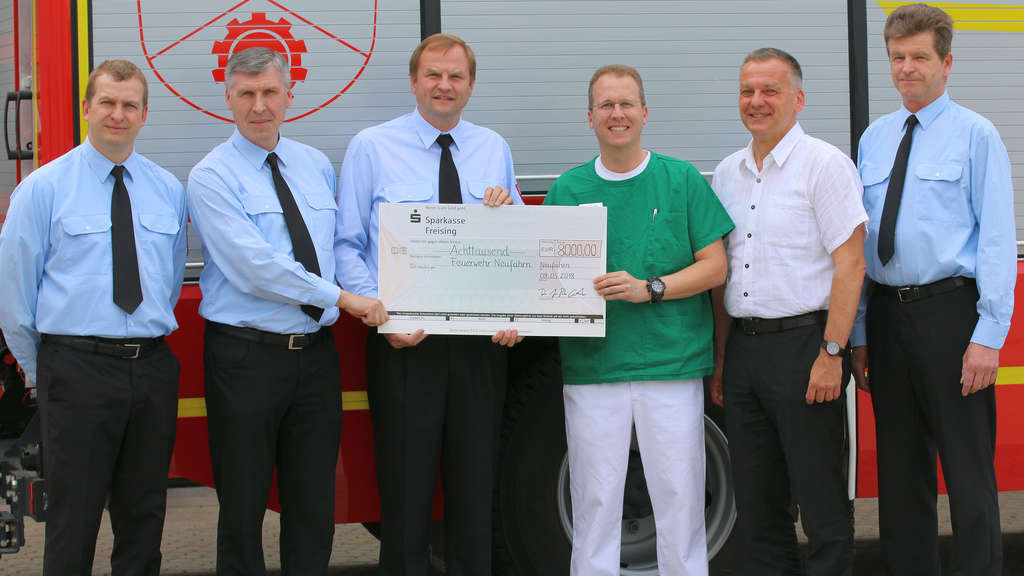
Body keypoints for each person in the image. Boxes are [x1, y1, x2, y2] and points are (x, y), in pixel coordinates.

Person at [187, 47, 387, 575]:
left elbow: (342, 245)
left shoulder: (314, 165)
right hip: (245, 358)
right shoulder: (211, 176)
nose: (259, 106)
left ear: (289, 96)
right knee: (243, 506)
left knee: (314, 504)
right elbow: (255, 266)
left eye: (270, 92)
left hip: (315, 358)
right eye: (247, 94)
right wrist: (344, 299)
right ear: (228, 99)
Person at [335, 33, 521, 576]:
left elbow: (516, 246)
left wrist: (517, 310)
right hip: (404, 345)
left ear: (471, 85)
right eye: (433, 75)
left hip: (480, 349)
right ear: (414, 82)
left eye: (456, 76)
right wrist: (381, 315)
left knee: (476, 490)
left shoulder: (493, 147)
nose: (444, 85)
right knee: (404, 491)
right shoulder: (372, 147)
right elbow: (347, 244)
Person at [544, 64, 733, 576]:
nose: (617, 114)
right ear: (589, 117)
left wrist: (650, 288)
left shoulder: (680, 180)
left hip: (670, 365)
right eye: (606, 105)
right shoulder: (568, 189)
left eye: (626, 103)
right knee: (595, 501)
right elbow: (543, 279)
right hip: (594, 368)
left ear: (645, 113)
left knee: (680, 499)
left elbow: (715, 267)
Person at [0, 60, 186, 575]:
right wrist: (44, 371)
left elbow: (167, 282)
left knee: (144, 515)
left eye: (130, 105)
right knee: (73, 520)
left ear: (145, 114)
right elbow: (14, 296)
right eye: (107, 102)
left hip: (151, 367)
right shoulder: (44, 188)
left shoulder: (167, 189)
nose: (117, 114)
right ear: (86, 108)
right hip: (76, 370)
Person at [851, 4, 1015, 574]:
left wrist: (988, 336)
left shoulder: (976, 135)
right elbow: (862, 243)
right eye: (897, 57)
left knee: (968, 472)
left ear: (946, 62)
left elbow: (996, 238)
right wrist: (860, 332)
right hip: (888, 318)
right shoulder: (874, 138)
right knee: (900, 473)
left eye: (919, 57)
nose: (906, 68)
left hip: (951, 315)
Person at [710, 48, 866, 575]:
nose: (756, 101)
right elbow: (725, 271)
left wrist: (831, 353)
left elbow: (851, 264)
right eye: (747, 91)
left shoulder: (826, 165)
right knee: (759, 505)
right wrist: (723, 356)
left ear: (797, 99)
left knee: (821, 502)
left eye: (769, 90)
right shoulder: (727, 173)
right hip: (745, 353)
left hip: (806, 350)